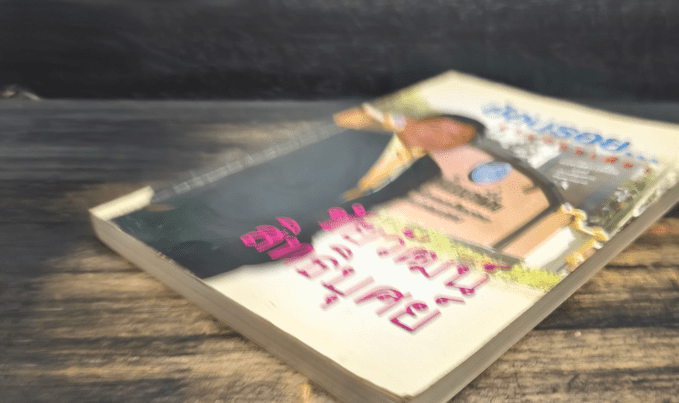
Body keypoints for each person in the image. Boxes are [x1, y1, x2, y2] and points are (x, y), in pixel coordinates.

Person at [114, 105, 484, 278]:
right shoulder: (361, 126)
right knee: (162, 231)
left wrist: (316, 225)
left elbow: (372, 202)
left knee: (213, 264)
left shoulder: (425, 170)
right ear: (426, 120)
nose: (444, 139)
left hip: (299, 222)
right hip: (252, 196)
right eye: (444, 128)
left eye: (456, 140)